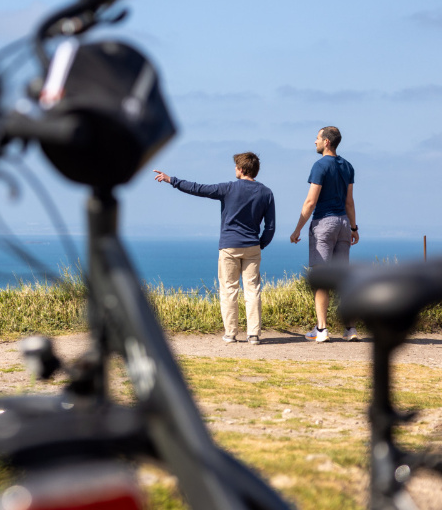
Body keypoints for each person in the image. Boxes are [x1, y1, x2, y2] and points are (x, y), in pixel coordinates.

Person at [153, 153, 275, 345]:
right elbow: (270, 227)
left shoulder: (228, 188)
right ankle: (253, 335)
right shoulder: (266, 193)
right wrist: (260, 244)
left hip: (229, 246)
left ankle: (231, 334)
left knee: (229, 289)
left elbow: (198, 189)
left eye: (236, 167)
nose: (235, 169)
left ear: (242, 169)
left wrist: (172, 180)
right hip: (252, 246)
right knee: (252, 290)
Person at [289, 126, 359, 343]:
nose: (315, 142)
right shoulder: (347, 166)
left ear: (327, 141)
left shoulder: (320, 166)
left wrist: (298, 228)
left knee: (321, 278)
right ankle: (350, 329)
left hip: (324, 223)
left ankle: (321, 329)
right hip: (343, 224)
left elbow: (310, 202)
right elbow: (349, 201)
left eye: (317, 138)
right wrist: (354, 227)